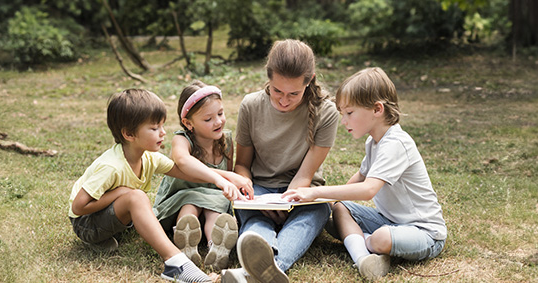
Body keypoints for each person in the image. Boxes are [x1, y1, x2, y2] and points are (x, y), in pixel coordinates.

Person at [283, 67, 447, 280]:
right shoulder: (374, 141)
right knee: (340, 211)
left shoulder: (396, 143)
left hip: (425, 233)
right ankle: (364, 259)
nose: (344, 121)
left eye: (349, 113)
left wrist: (315, 193)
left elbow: (368, 189)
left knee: (381, 238)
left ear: (377, 109)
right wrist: (329, 202)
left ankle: (363, 243)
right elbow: (360, 177)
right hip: (389, 220)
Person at [68, 88, 243, 283]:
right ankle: (175, 263)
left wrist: (227, 177)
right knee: (137, 197)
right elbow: (78, 207)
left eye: (162, 125)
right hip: (86, 223)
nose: (163, 132)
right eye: (154, 128)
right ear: (129, 134)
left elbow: (186, 172)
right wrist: (123, 192)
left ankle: (102, 240)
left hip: (112, 221)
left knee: (135, 197)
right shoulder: (111, 166)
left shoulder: (150, 158)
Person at [221, 39, 340, 283]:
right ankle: (265, 266)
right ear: (269, 79)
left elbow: (305, 175)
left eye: (294, 94)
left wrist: (287, 202)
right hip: (260, 190)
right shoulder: (251, 105)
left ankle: (267, 267)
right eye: (277, 91)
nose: (284, 101)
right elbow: (242, 165)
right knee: (253, 218)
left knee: (317, 211)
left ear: (309, 81)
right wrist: (251, 193)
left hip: (302, 192)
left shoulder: (326, 112)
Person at [153, 81, 253, 270]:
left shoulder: (227, 142)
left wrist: (236, 181)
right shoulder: (182, 140)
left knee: (215, 205)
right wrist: (223, 177)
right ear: (188, 123)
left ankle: (216, 247)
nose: (218, 122)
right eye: (208, 119)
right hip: (179, 200)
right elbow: (183, 161)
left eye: (220, 114)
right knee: (191, 203)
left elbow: (227, 179)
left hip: (211, 202)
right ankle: (185, 240)